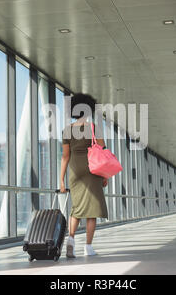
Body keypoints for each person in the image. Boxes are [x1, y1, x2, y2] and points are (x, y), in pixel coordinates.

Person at [60, 93, 108, 258]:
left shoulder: (66, 130)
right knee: (92, 210)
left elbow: (65, 156)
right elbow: (102, 152)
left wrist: (61, 180)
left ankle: (71, 241)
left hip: (75, 172)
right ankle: (88, 247)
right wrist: (105, 175)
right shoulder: (94, 128)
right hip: (92, 171)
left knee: (77, 208)